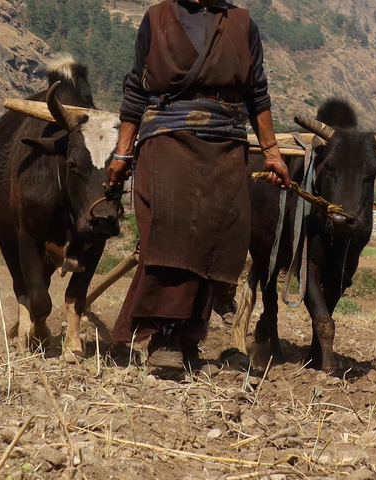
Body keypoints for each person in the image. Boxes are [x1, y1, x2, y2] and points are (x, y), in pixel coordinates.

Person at [107, 0, 290, 371]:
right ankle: (165, 338)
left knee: (224, 234)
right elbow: (135, 91)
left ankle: (190, 340)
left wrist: (272, 153)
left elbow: (257, 93)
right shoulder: (156, 18)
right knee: (172, 227)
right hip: (167, 136)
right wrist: (123, 152)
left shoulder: (242, 24)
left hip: (226, 142)